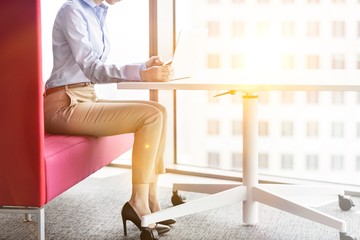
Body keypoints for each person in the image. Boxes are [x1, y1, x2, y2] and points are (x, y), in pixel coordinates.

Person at [43, 0, 175, 236]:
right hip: (63, 104)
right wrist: (143, 74)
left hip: (85, 97)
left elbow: (98, 65)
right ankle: (137, 202)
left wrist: (143, 65)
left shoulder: (97, 12)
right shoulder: (72, 10)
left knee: (159, 111)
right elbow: (93, 68)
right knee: (151, 116)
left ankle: (151, 199)